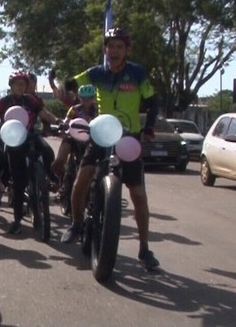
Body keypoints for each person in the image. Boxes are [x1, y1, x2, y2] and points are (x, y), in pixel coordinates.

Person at [60, 27, 161, 271]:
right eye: (110, 46)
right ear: (105, 49)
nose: (114, 51)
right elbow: (72, 82)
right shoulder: (96, 73)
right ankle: (76, 224)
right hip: (101, 133)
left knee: (138, 194)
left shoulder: (137, 73)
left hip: (129, 137)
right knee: (81, 180)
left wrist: (149, 127)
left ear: (127, 50)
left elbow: (153, 100)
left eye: (120, 47)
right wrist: (67, 86)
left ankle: (144, 248)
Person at [0, 69, 59, 235]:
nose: (20, 87)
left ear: (26, 86)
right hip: (12, 141)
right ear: (11, 86)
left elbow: (44, 113)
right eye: (17, 84)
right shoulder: (4, 101)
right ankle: (17, 220)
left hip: (30, 136)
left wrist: (58, 121)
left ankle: (48, 178)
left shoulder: (31, 100)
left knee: (47, 151)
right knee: (18, 183)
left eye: (23, 84)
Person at [50, 84, 98, 181]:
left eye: (89, 98)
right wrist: (63, 126)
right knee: (60, 160)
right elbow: (66, 120)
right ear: (79, 98)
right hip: (73, 138)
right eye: (84, 98)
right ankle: (57, 179)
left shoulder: (98, 110)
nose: (86, 101)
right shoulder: (74, 109)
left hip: (92, 139)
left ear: (93, 98)